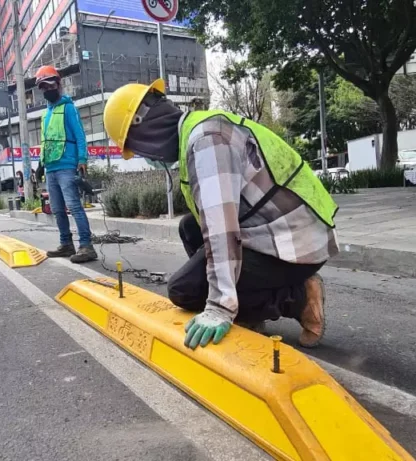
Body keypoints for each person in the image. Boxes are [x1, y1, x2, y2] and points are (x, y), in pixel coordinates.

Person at [103, 79, 339, 349]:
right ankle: (251, 311)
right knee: (190, 227)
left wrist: (219, 307)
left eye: (138, 149)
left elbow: (221, 230)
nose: (146, 156)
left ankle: (296, 297)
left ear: (145, 132)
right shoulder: (199, 130)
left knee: (184, 290)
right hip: (289, 229)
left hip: (295, 244)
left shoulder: (207, 141)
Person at [35, 65, 96, 264]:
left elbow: (79, 135)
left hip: (67, 165)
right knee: (57, 209)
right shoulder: (46, 114)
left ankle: (86, 246)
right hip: (51, 167)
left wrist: (82, 160)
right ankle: (66, 244)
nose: (46, 90)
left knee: (74, 206)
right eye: (42, 87)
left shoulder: (68, 108)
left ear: (58, 84)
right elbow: (46, 140)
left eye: (49, 85)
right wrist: (40, 164)